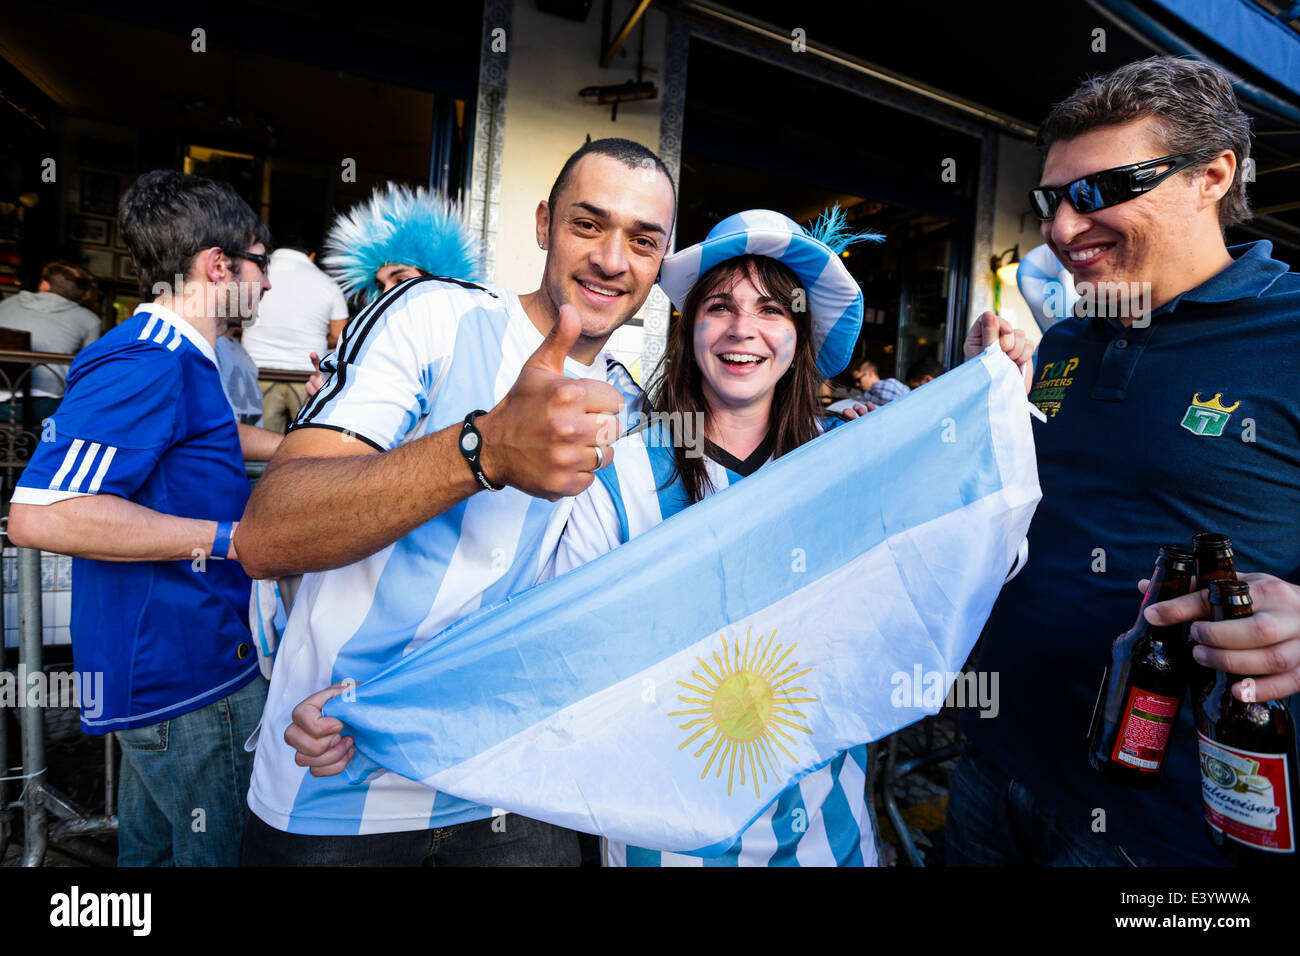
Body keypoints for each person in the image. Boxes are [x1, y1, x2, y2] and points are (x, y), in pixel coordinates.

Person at [235, 137, 676, 866]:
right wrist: (484, 450)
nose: (611, 258)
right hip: (335, 783)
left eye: (642, 240)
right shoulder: (431, 316)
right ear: (543, 224)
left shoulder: (630, 403)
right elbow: (269, 533)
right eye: (587, 224)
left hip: (513, 789)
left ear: (660, 263)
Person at [947, 56, 1300, 866]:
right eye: (1052, 199)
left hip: (1163, 833)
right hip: (993, 772)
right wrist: (980, 405)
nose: (1063, 228)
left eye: (1101, 191)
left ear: (1213, 175)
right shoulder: (1068, 339)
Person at [556, 210, 878, 865]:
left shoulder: (858, 461)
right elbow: (556, 648)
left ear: (800, 335)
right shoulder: (618, 473)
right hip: (663, 840)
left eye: (771, 310)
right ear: (689, 328)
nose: (742, 330)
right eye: (719, 307)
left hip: (829, 838)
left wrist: (997, 398)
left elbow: (975, 554)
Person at [6, 169, 273, 866]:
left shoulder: (183, 356)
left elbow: (198, 436)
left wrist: (323, 448)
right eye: (260, 263)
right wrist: (233, 541)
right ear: (220, 265)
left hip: (178, 666)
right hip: (186, 676)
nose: (268, 283)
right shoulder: (148, 360)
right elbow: (43, 516)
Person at [240, 226, 350, 434]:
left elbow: (233, 316)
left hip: (256, 375)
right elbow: (341, 336)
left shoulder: (255, 274)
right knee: (302, 450)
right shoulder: (328, 284)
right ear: (312, 255)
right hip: (307, 379)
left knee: (258, 454)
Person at [0, 260, 101, 418]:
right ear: (81, 294)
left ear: (45, 285)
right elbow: (90, 368)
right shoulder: (90, 320)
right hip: (46, 408)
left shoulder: (6, 305)